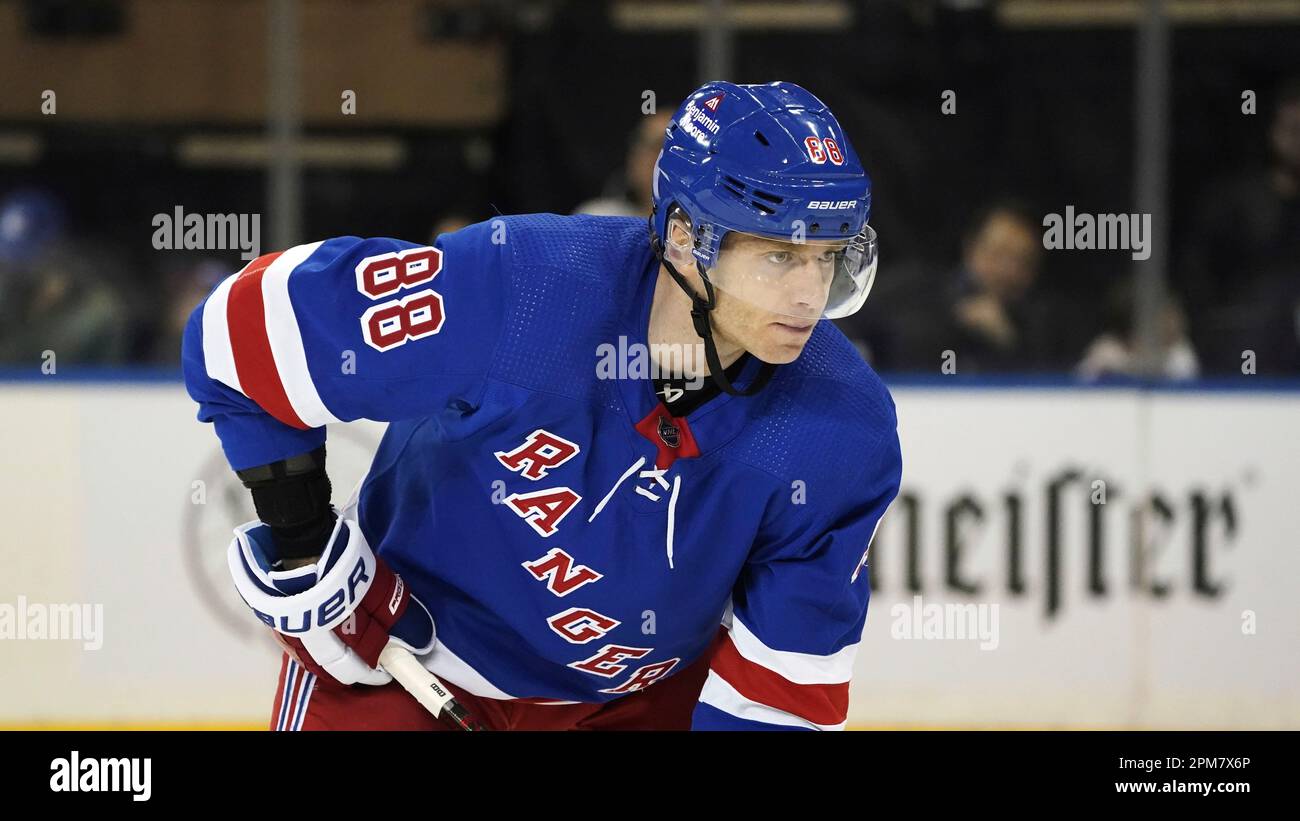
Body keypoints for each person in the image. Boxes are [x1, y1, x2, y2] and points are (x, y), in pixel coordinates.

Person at [182, 81, 902, 731]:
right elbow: (241, 333)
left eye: (829, 256)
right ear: (686, 238)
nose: (811, 295)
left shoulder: (843, 429)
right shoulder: (520, 290)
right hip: (402, 662)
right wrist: (301, 538)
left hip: (639, 704)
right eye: (781, 255)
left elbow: (775, 694)